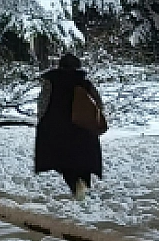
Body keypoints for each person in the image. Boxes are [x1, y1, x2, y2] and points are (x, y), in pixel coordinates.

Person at [34, 52, 106, 200]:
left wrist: (42, 121)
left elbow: (43, 104)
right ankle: (84, 185)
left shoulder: (51, 82)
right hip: (82, 128)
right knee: (83, 160)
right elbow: (98, 103)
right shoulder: (84, 83)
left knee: (64, 161)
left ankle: (75, 185)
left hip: (57, 129)